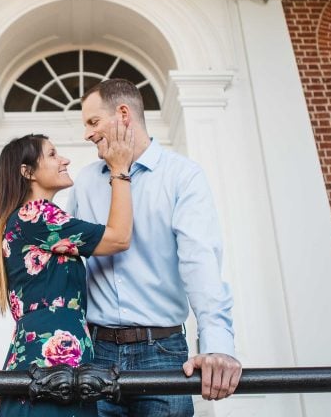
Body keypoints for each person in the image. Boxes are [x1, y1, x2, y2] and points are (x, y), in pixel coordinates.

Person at [67, 79, 242, 416]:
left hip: (161, 351)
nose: (87, 134)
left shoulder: (183, 176)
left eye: (93, 122)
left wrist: (219, 346)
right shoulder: (86, 182)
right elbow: (71, 270)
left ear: (123, 114)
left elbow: (200, 262)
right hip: (94, 352)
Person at [0, 123, 134, 417]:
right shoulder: (37, 214)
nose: (65, 160)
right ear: (27, 172)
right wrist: (121, 170)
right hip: (50, 367)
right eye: (53, 154)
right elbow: (119, 237)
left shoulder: (24, 220)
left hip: (43, 361)